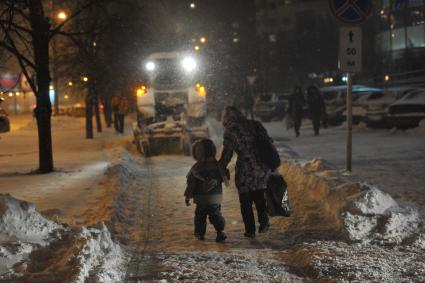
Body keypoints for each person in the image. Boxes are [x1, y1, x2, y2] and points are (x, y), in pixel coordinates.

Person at [219, 106, 270, 238]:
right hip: (262, 166)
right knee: (260, 196)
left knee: (245, 200)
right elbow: (268, 143)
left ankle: (250, 230)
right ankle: (264, 222)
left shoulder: (230, 130)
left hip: (245, 168)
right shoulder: (254, 124)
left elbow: (227, 154)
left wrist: (220, 166)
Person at [184, 139, 228, 243]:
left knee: (200, 216)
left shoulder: (196, 167)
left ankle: (200, 234)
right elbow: (224, 177)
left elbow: (191, 183)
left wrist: (187, 196)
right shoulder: (218, 165)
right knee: (216, 214)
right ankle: (220, 231)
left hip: (201, 199)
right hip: (215, 197)